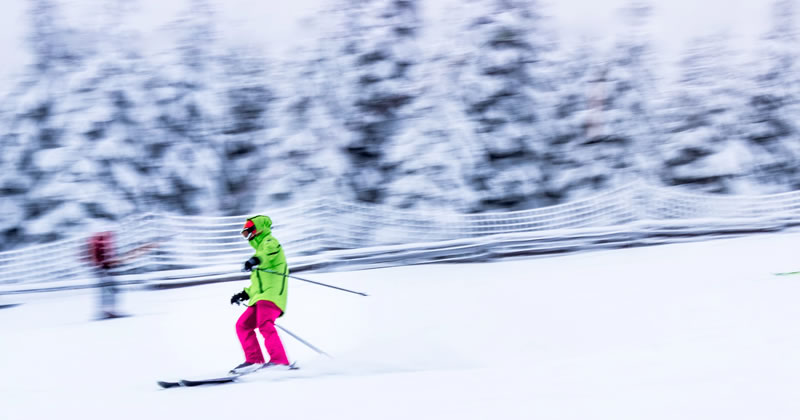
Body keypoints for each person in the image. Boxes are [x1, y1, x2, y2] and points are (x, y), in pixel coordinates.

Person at [229, 215, 291, 374]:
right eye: (245, 234)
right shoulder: (259, 250)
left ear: (258, 230)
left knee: (264, 324)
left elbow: (268, 254)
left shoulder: (270, 242)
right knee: (242, 325)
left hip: (272, 296)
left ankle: (280, 361)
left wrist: (254, 260)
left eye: (248, 232)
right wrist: (244, 294)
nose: (247, 236)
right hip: (260, 297)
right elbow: (258, 285)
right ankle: (254, 360)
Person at [87, 231, 123, 320]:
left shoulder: (106, 239)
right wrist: (101, 267)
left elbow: (110, 254)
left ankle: (109, 310)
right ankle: (107, 311)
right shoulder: (99, 240)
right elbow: (98, 256)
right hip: (104, 269)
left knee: (110, 290)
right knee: (108, 291)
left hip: (107, 268)